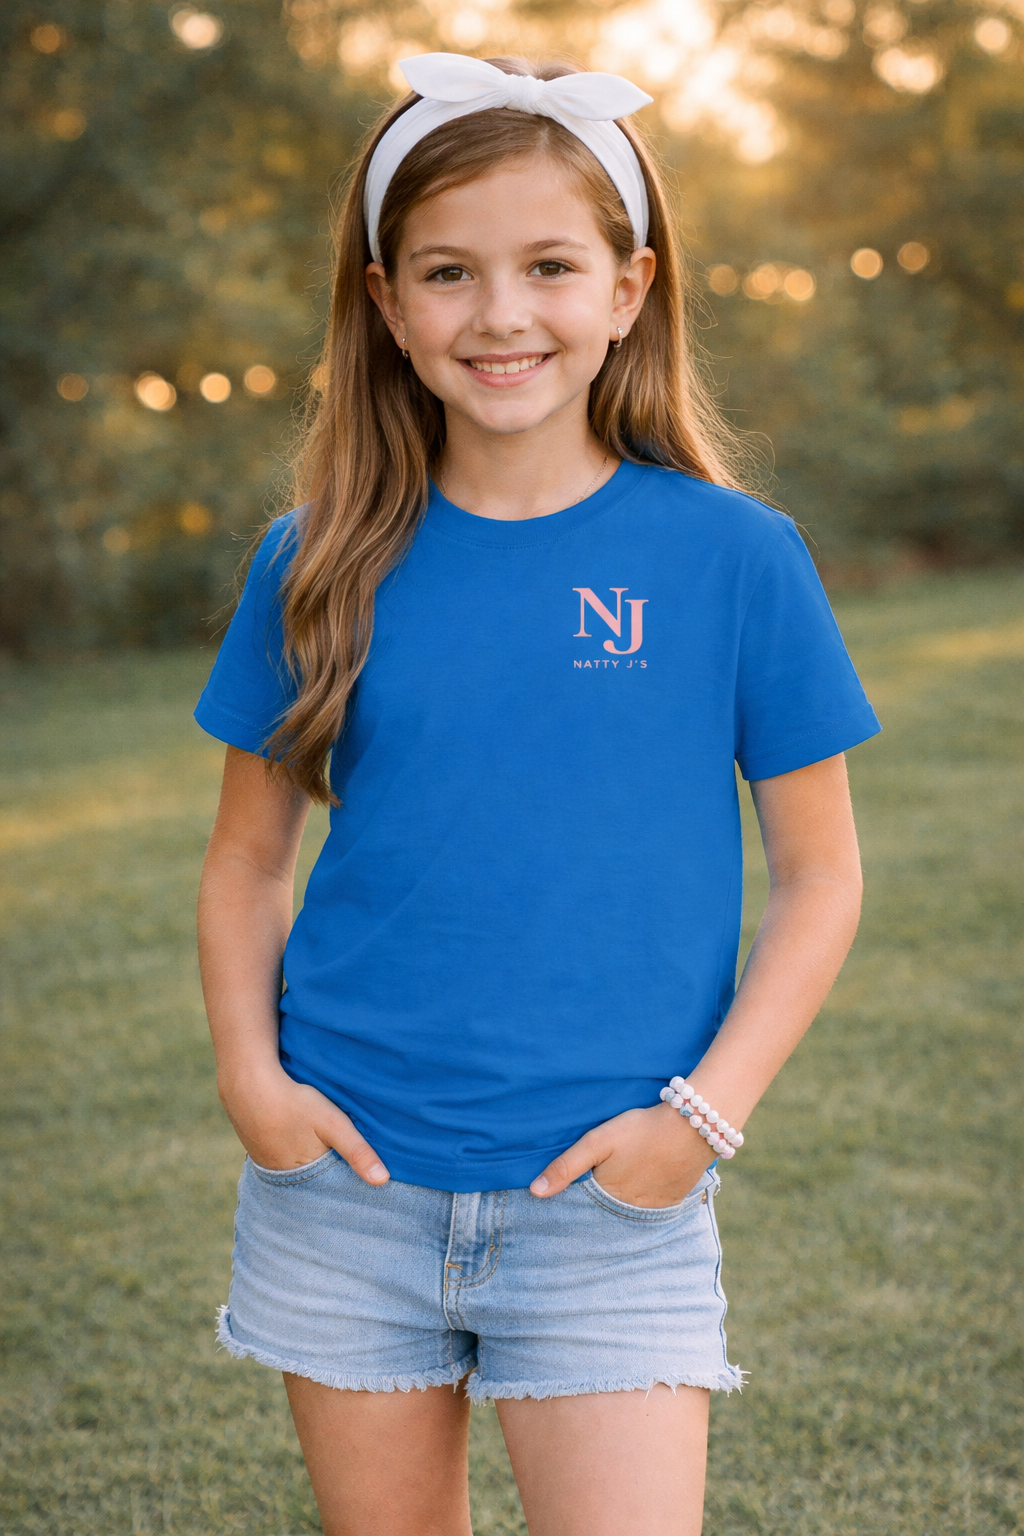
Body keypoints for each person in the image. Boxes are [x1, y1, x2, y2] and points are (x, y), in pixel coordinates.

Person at [194, 53, 880, 1536]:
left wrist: (700, 1121)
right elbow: (247, 865)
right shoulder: (314, 560)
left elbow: (823, 877)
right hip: (347, 1191)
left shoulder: (737, 559)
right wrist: (255, 1083)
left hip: (610, 1203)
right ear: (385, 301)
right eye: (448, 272)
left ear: (629, 288)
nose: (500, 315)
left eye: (549, 266)